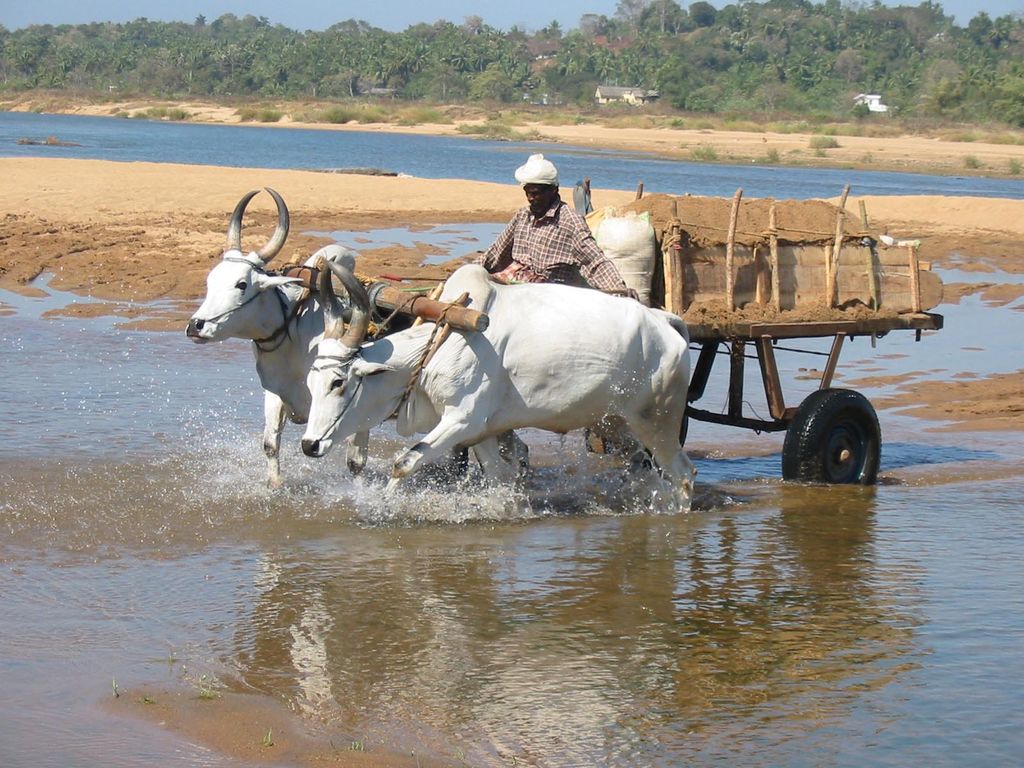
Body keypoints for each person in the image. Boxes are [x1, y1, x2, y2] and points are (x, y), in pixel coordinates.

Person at [478, 154, 635, 297]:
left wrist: (619, 291)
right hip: (515, 284)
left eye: (536, 193)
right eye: (528, 193)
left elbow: (594, 262)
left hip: (549, 295)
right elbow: (496, 253)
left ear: (553, 191)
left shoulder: (569, 221)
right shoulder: (523, 216)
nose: (531, 198)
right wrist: (469, 272)